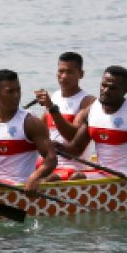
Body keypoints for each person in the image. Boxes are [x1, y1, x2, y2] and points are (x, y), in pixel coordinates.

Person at [58, 65, 127, 182]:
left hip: (126, 178)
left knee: (77, 177)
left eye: (112, 88)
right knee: (55, 177)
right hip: (100, 173)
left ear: (125, 91)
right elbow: (76, 148)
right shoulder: (92, 111)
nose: (105, 91)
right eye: (103, 85)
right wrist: (56, 146)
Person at [0, 70, 57, 193]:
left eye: (18, 90)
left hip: (23, 187)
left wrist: (35, 177)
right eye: (10, 91)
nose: (16, 95)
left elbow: (51, 158)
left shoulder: (31, 122)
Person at [30, 51, 95, 181]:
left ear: (81, 74)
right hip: (47, 163)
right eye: (61, 71)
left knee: (42, 179)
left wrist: (52, 109)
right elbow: (39, 131)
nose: (64, 76)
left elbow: (72, 137)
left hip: (71, 167)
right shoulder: (55, 96)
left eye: (69, 72)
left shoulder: (88, 101)